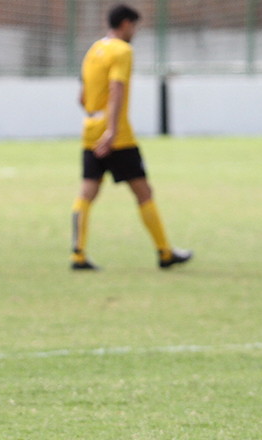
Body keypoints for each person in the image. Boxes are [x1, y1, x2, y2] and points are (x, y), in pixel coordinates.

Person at [71, 4, 191, 270]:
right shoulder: (122, 51)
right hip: (118, 136)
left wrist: (97, 119)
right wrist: (112, 130)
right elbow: (117, 89)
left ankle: (77, 254)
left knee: (87, 192)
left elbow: (82, 97)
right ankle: (165, 252)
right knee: (143, 191)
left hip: (90, 130)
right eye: (134, 26)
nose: (135, 32)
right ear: (125, 24)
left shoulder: (93, 50)